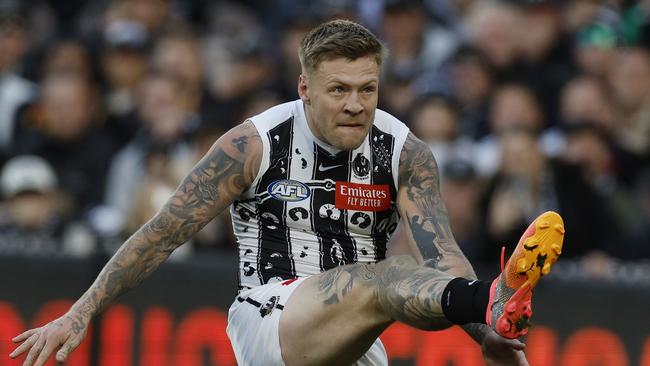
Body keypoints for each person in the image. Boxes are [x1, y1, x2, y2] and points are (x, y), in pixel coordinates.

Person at [9, 20, 565, 366]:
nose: (355, 104)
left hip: (354, 331)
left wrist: (483, 338)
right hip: (272, 318)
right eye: (339, 90)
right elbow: (160, 235)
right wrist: (80, 312)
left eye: (367, 89)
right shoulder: (251, 144)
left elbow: (442, 256)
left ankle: (488, 306)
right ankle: (490, 298)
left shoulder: (407, 152)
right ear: (305, 88)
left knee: (398, 281)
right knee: (390, 274)